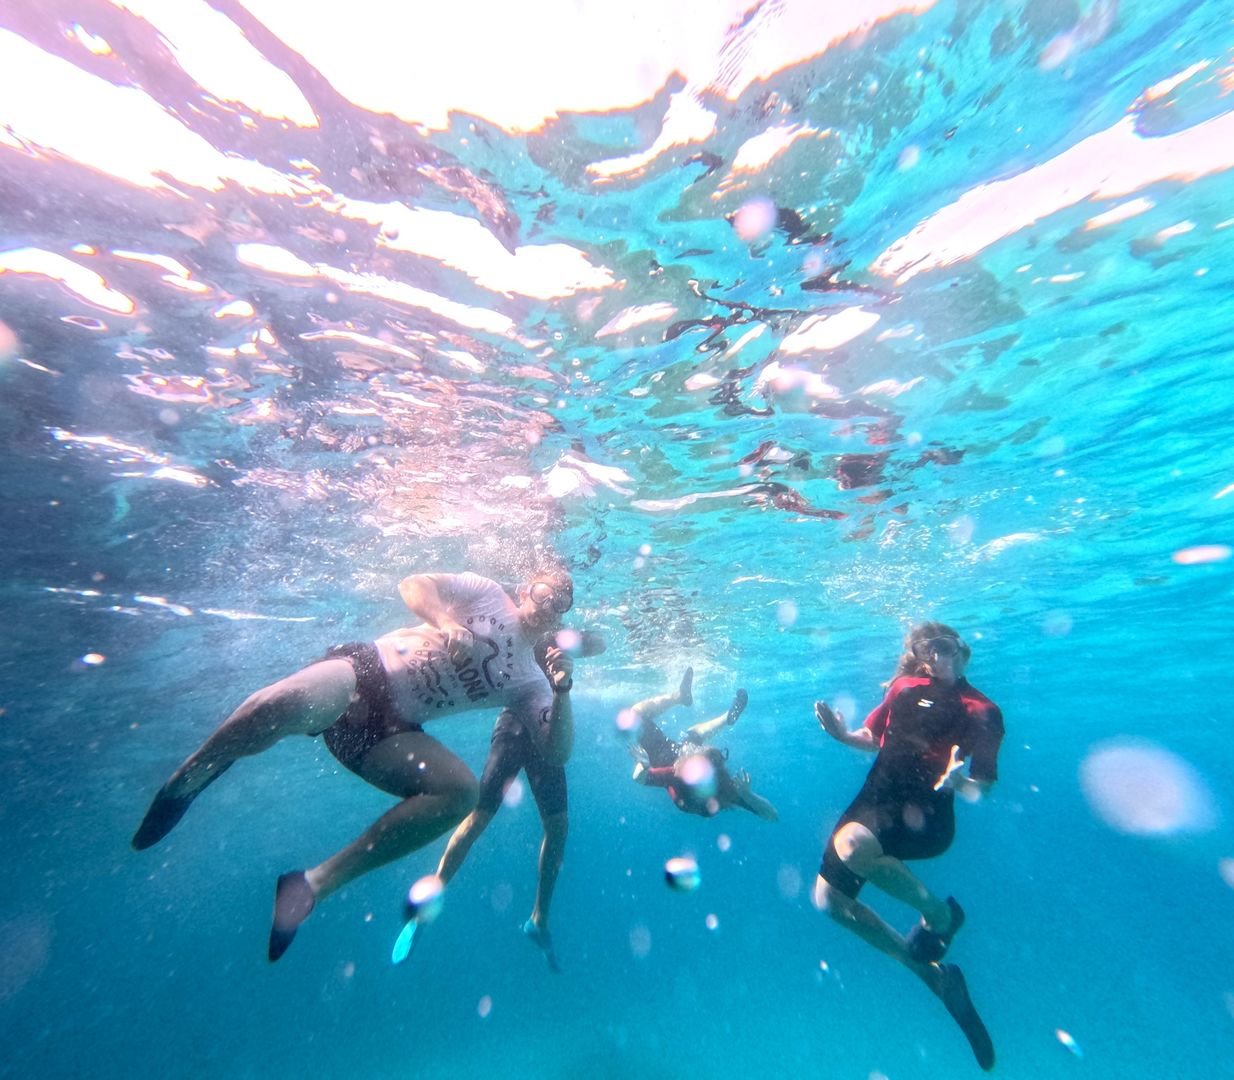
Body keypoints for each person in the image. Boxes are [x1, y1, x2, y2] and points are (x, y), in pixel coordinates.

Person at [132, 567, 576, 962]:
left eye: (560, 603)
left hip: (390, 731)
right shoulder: (486, 593)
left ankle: (310, 886)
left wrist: (562, 692)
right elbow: (414, 584)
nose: (548, 605)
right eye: (544, 593)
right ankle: (190, 777)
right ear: (525, 589)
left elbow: (556, 752)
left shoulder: (530, 682)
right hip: (365, 672)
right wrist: (445, 622)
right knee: (276, 705)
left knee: (462, 795)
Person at [812, 622, 1004, 1071]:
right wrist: (843, 735)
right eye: (927, 649)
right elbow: (873, 737)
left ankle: (939, 916)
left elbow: (984, 785)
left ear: (963, 651)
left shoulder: (983, 711)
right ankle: (931, 978)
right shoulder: (902, 688)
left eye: (946, 646)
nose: (938, 655)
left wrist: (961, 782)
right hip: (873, 800)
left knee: (853, 845)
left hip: (928, 816)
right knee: (829, 903)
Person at [418, 629, 606, 973]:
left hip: (547, 729)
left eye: (557, 604)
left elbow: (600, 644)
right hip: (513, 727)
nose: (548, 608)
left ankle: (539, 919)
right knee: (478, 817)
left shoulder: (555, 634)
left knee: (558, 827)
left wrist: (569, 645)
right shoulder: (513, 625)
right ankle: (431, 894)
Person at [627, 668, 778, 821]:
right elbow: (772, 815)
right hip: (702, 794)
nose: (690, 748)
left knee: (635, 715)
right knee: (692, 735)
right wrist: (747, 795)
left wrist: (644, 764)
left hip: (666, 761)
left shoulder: (673, 775)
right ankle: (726, 718)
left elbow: (639, 779)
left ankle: (679, 697)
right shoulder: (723, 786)